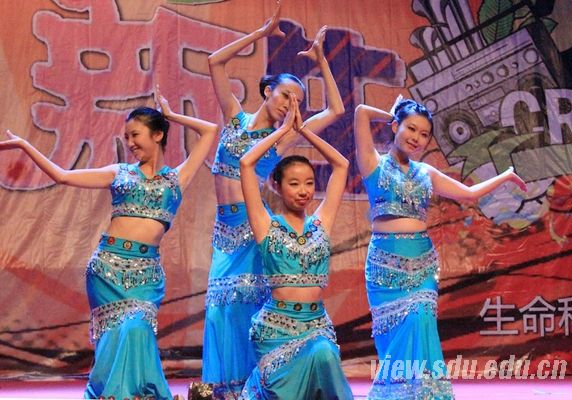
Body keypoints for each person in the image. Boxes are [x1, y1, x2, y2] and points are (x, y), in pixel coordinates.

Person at [0, 87, 217, 400]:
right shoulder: (119, 173)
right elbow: (62, 176)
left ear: (157, 135)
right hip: (108, 269)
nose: (130, 143)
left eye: (135, 135)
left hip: (146, 274)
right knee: (116, 335)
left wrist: (171, 115)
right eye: (126, 137)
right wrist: (24, 145)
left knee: (137, 329)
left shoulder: (176, 179)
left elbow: (210, 131)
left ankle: (133, 394)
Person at [203, 1, 345, 397]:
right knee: (219, 312)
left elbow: (336, 109)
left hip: (255, 230)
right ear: (268, 91)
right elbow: (215, 62)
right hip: (224, 233)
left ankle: (261, 388)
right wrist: (261, 34)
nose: (289, 105)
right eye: (285, 96)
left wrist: (322, 61)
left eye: (297, 101)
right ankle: (225, 391)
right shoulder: (234, 118)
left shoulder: (283, 138)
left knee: (248, 308)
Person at [353, 97, 527, 399]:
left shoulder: (426, 173)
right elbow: (361, 112)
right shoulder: (373, 163)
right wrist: (392, 113)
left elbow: (469, 194)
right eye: (410, 128)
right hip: (384, 265)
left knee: (420, 318)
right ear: (395, 127)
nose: (416, 138)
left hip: (422, 261)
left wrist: (506, 175)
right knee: (393, 335)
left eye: (424, 134)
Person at [238, 93, 353, 399]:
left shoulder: (321, 222)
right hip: (277, 330)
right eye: (294, 183)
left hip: (316, 325)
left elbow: (341, 165)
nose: (304, 191)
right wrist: (283, 131)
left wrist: (304, 131)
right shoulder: (266, 225)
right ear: (276, 185)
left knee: (324, 354)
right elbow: (246, 164)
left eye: (309, 183)